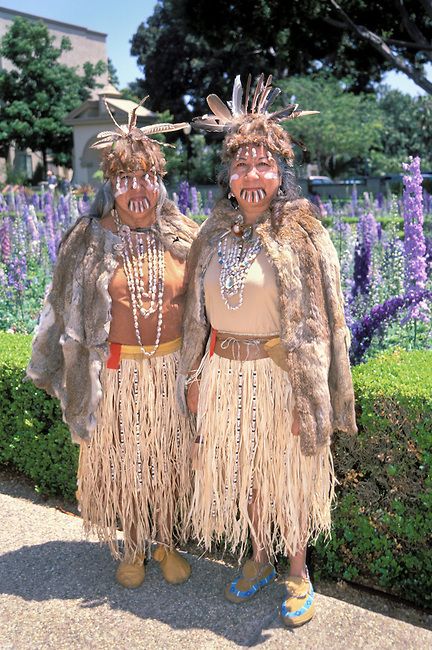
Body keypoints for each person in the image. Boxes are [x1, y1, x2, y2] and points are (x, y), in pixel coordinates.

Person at [178, 74, 357, 626]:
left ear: (280, 174)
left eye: (264, 165)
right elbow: (194, 318)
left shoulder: (306, 235)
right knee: (248, 474)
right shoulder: (211, 234)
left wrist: (316, 396)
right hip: (226, 376)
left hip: (282, 377)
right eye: (241, 165)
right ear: (228, 178)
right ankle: (259, 556)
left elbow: (327, 325)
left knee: (289, 473)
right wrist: (192, 377)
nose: (252, 176)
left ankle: (298, 569)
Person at [27, 99, 198, 589]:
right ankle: (132, 545)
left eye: (146, 176)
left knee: (168, 461)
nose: (137, 189)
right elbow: (59, 308)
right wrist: (57, 367)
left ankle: (164, 540)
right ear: (112, 184)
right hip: (116, 377)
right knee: (125, 462)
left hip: (170, 373)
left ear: (159, 181)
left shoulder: (186, 234)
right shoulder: (87, 239)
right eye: (126, 178)